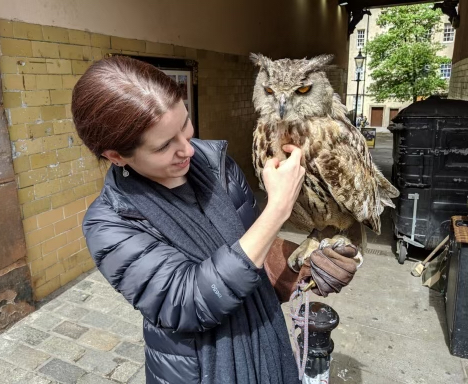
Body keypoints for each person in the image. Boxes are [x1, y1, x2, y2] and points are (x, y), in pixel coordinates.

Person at [71, 56, 354, 384]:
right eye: (164, 145)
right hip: (201, 371)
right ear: (116, 156)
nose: (187, 149)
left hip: (269, 347)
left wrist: (303, 263)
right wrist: (278, 209)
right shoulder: (110, 223)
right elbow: (188, 300)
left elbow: (252, 246)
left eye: (185, 125)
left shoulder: (216, 166)